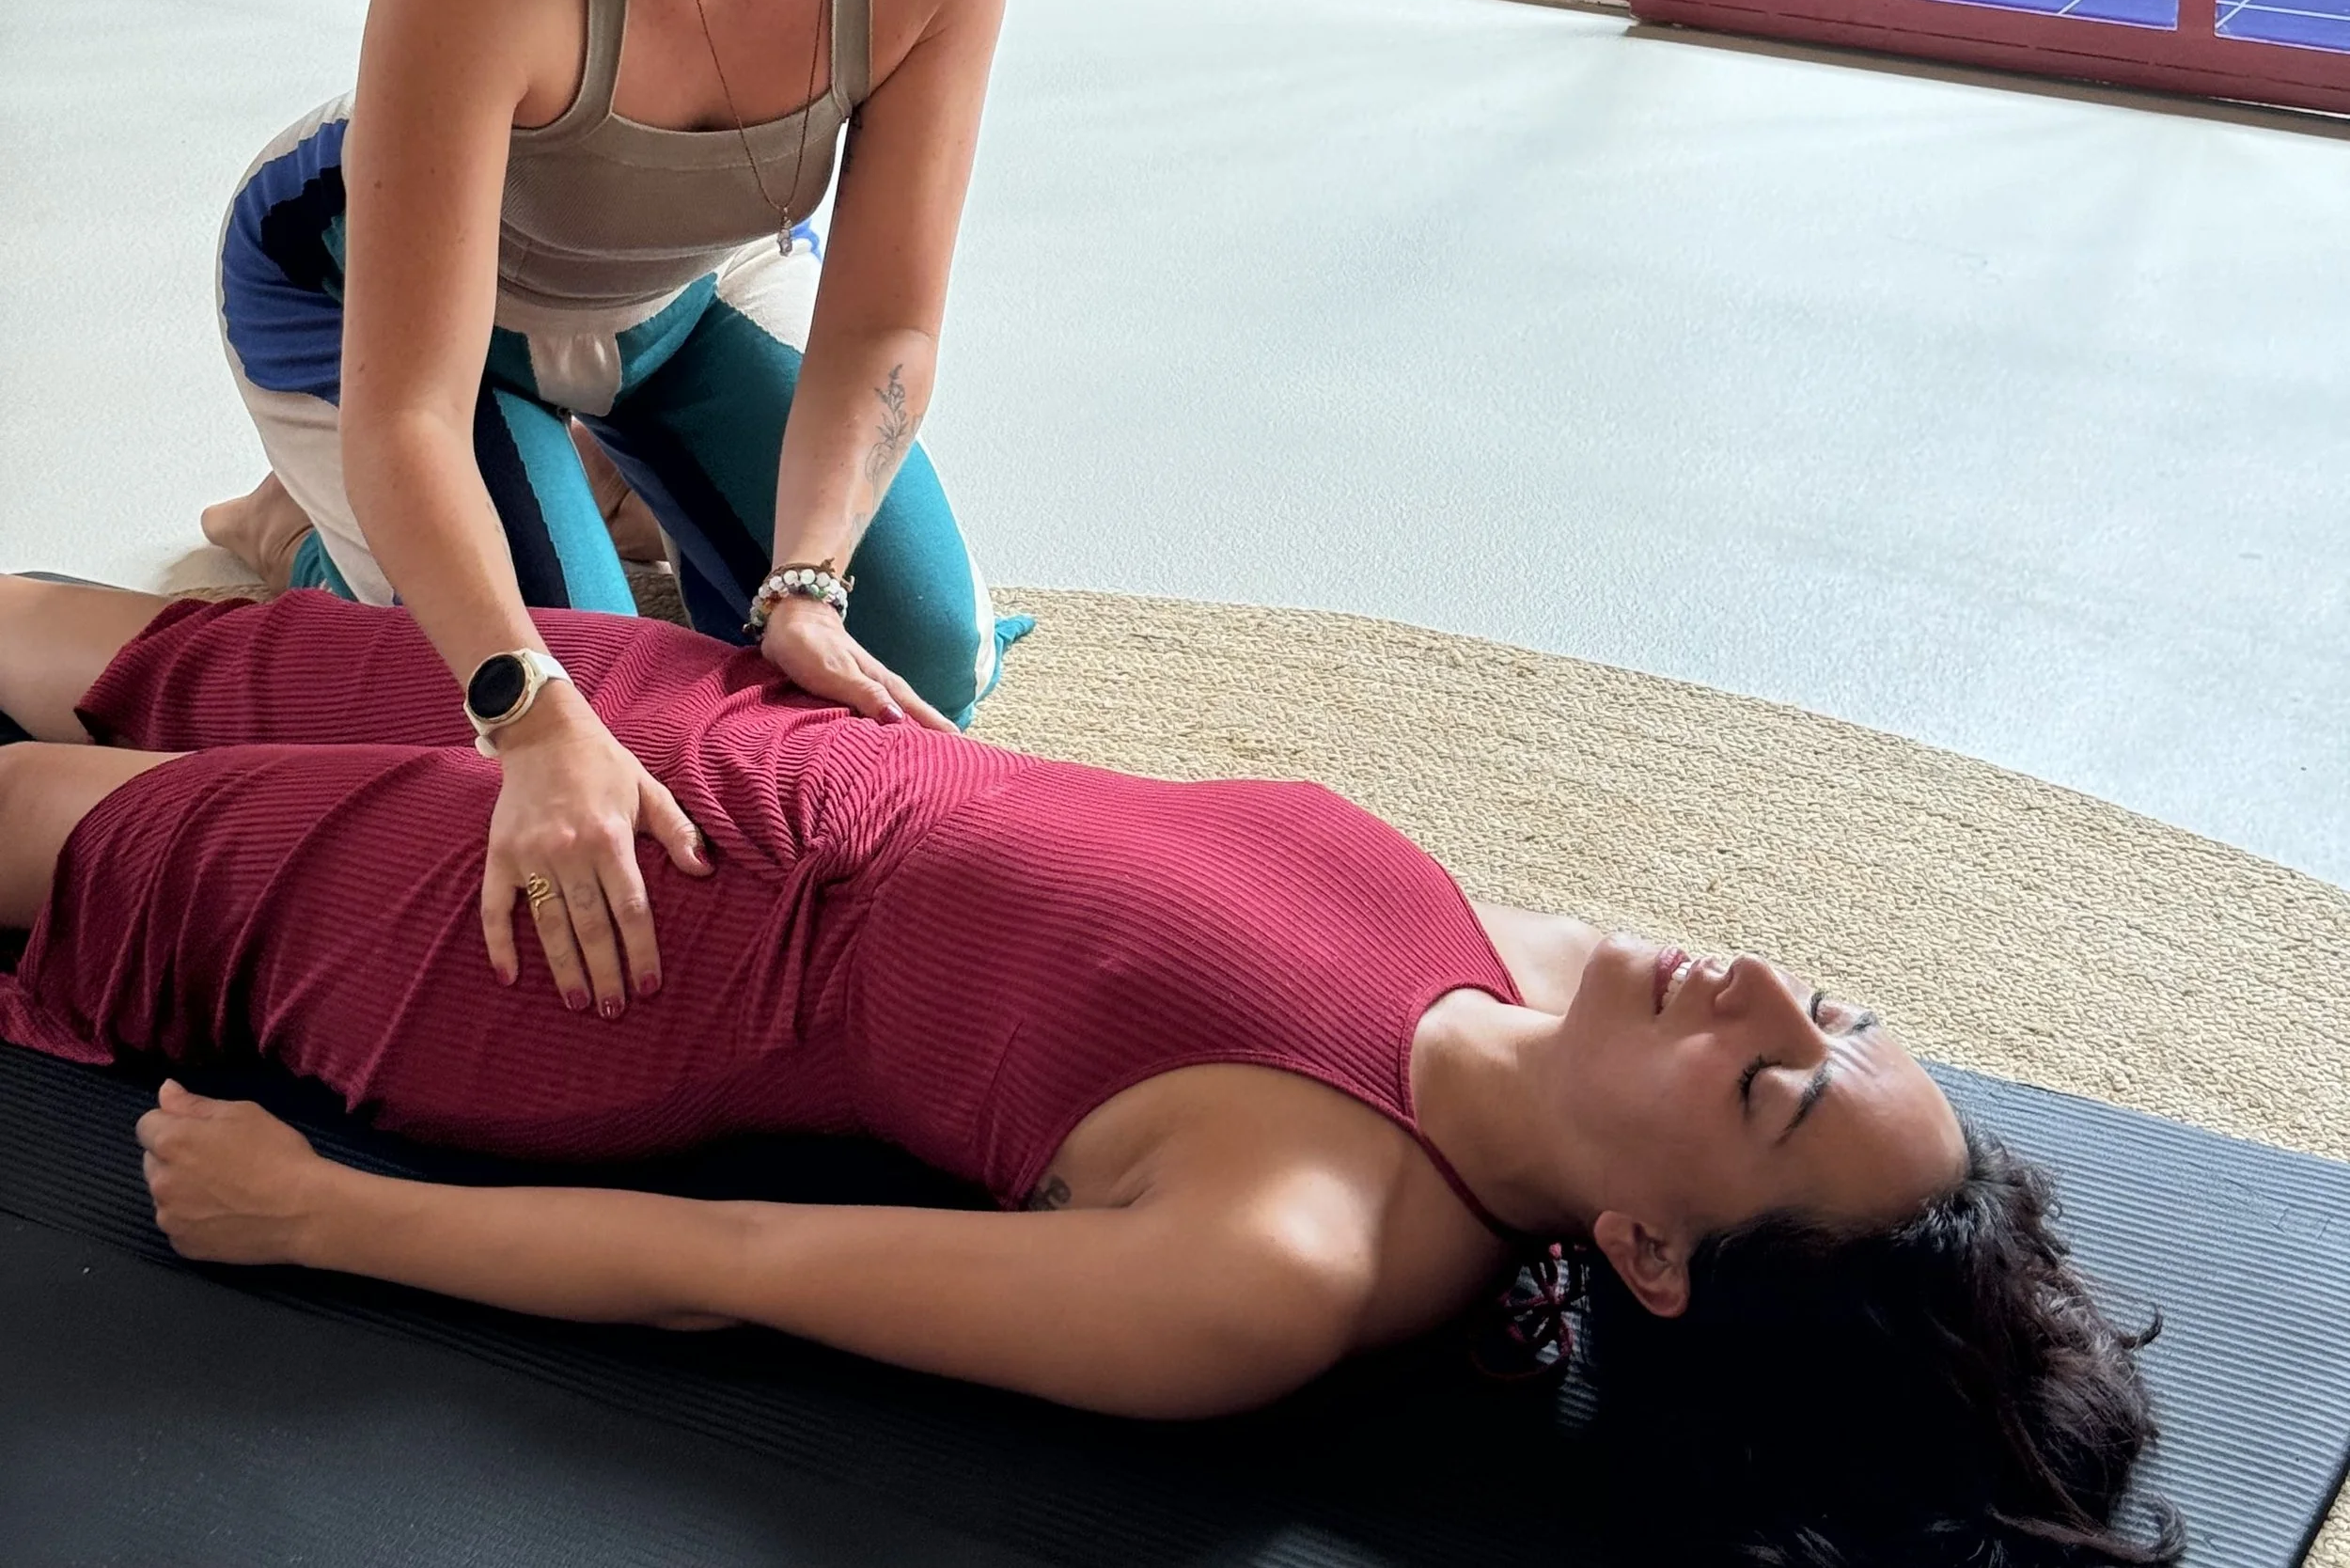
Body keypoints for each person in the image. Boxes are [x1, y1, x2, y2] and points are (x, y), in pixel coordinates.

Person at [0, 577, 2177, 1567]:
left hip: (580, 952)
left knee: (42, 827)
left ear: (1651, 1249)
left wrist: (331, 1217)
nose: (1776, 991)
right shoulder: (1545, 966)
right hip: (671, 729)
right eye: (1846, 1016)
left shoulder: (1284, 1259)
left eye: (1776, 1089)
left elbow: (744, 1263)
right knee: (99, 636)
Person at [196, 0, 1041, 1019]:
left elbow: (881, 324)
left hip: (657, 289)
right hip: (362, 294)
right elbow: (408, 402)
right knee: (594, 706)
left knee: (921, 661)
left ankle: (595, 476)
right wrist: (521, 703)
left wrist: (802, 581)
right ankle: (301, 535)